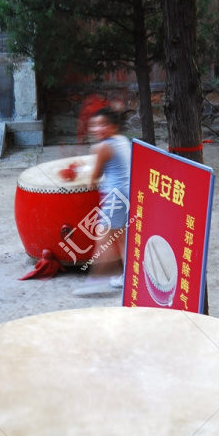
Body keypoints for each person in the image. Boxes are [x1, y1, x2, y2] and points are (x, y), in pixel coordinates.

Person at [74, 106, 131, 296]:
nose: (99, 129)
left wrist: (76, 172)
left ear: (114, 126)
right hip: (127, 193)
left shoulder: (102, 147)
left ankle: (95, 283)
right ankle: (128, 277)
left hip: (116, 197)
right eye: (96, 125)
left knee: (102, 237)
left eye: (103, 125)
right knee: (121, 239)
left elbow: (95, 176)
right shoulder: (122, 140)